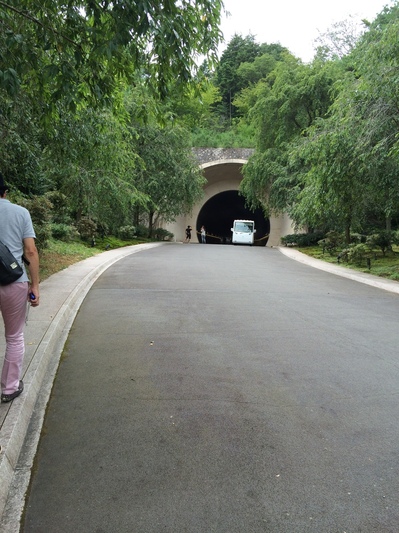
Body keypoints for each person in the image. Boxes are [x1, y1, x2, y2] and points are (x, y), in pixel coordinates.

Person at [0, 173, 40, 403]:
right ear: (5, 192)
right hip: (13, 282)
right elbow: (30, 251)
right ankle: (9, 388)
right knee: (14, 337)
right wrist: (34, 285)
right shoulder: (20, 213)